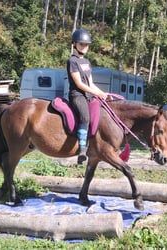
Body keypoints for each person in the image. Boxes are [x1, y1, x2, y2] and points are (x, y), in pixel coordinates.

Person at [67, 28, 109, 165]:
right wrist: (97, 93)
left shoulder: (86, 62)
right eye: (81, 44)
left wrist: (103, 94)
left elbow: (90, 83)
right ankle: (82, 149)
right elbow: (79, 84)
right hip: (77, 95)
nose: (84, 47)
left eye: (86, 44)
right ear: (74, 44)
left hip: (88, 95)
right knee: (85, 116)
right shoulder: (72, 61)